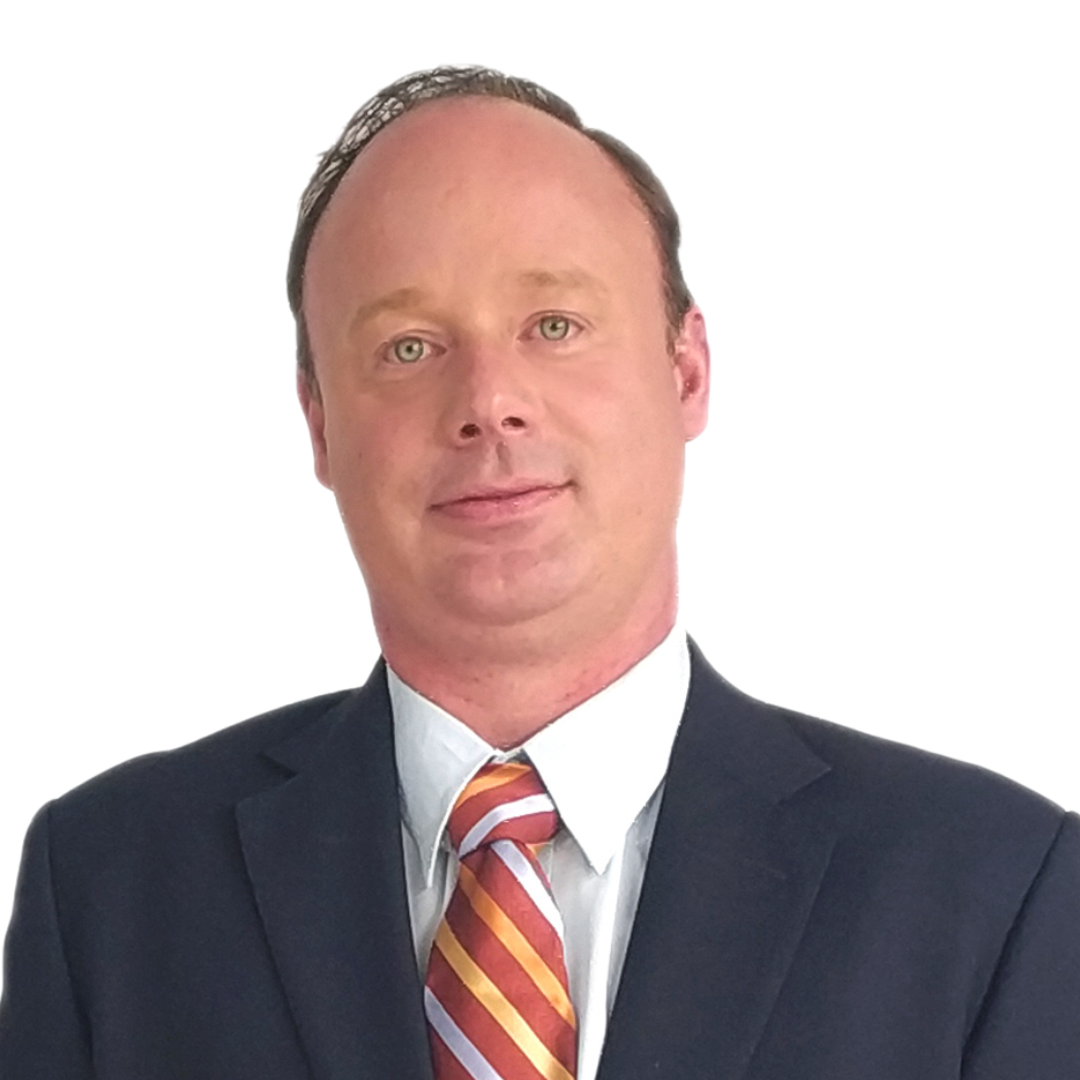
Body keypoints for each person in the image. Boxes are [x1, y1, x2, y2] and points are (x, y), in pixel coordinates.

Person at [1, 64, 1077, 1080]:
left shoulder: (996, 891)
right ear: (319, 424)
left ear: (686, 371)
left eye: (554, 325)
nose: (489, 402)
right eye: (408, 346)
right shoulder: (107, 887)